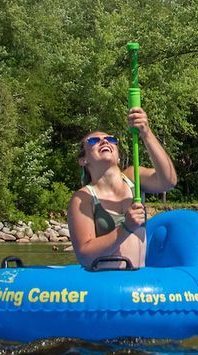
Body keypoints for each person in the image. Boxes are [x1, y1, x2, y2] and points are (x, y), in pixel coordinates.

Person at [65, 107, 179, 267]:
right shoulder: (82, 198)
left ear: (118, 156)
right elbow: (85, 255)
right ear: (83, 160)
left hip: (138, 285)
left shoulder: (134, 177)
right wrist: (126, 227)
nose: (104, 141)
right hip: (107, 286)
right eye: (93, 140)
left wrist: (146, 132)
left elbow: (168, 181)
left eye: (111, 140)